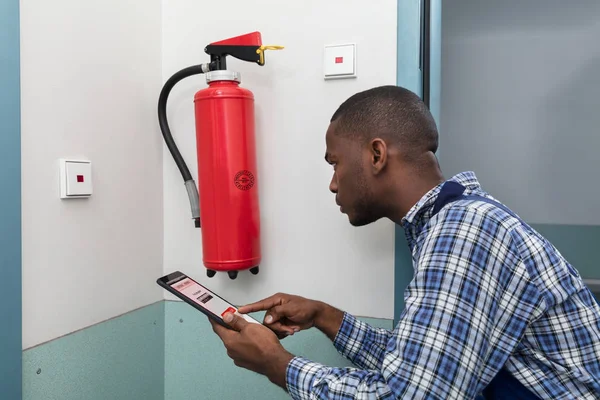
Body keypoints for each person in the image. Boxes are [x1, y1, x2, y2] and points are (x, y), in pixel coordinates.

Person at [209, 85, 600, 399]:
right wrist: (326, 316)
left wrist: (276, 363)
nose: (332, 183)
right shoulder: (450, 223)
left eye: (335, 163)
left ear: (376, 154)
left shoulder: (463, 232)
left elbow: (411, 394)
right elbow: (423, 364)